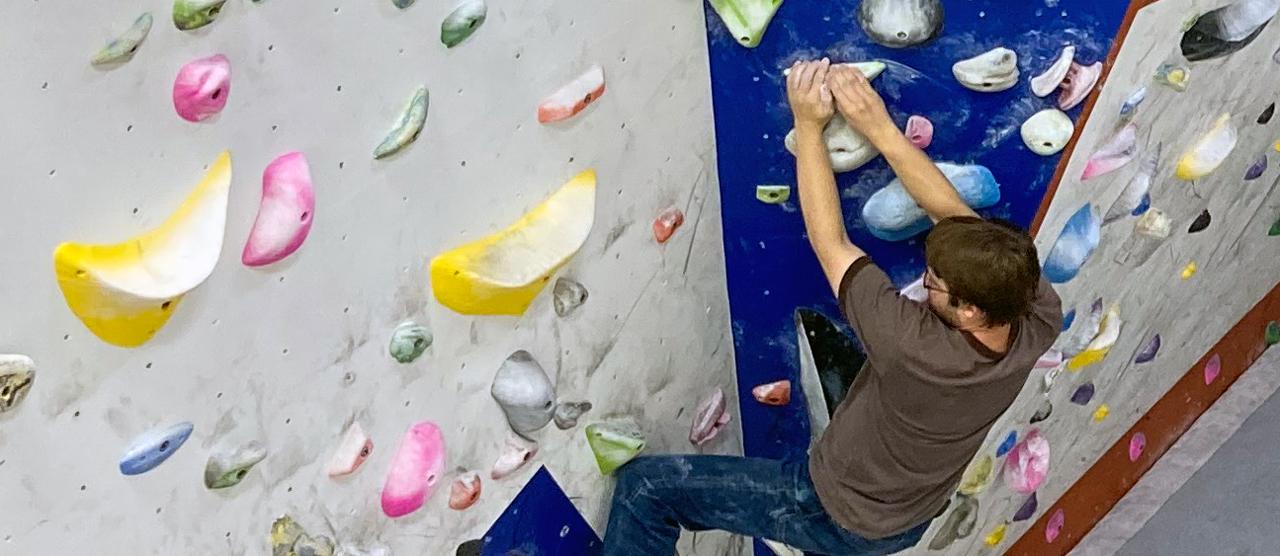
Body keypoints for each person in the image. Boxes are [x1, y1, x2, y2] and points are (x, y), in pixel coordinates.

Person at [601, 59, 1063, 556]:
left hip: (832, 510)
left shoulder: (914, 346)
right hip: (909, 513)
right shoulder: (1035, 314)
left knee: (646, 491)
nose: (925, 281)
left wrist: (807, 126)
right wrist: (880, 129)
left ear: (969, 310)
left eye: (934, 282)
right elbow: (957, 221)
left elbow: (832, 243)